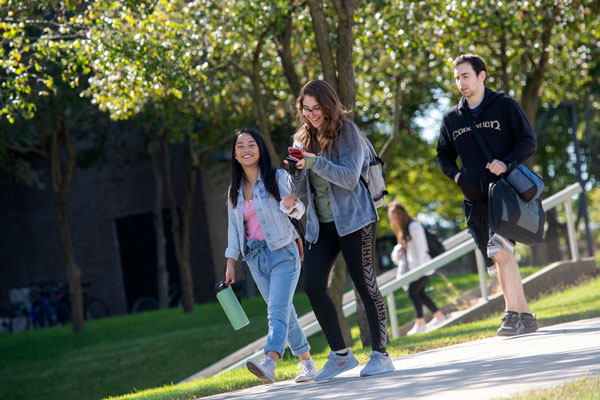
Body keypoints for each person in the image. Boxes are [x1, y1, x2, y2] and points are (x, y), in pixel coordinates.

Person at [287, 79, 395, 381]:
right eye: (306, 109)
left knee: (364, 283)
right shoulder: (302, 138)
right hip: (321, 225)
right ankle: (340, 356)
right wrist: (293, 186)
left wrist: (314, 162)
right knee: (313, 285)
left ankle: (381, 355)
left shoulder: (348, 132)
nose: (311, 115)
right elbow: (302, 183)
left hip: (355, 220)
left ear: (328, 105)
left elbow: (348, 178)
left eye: (316, 108)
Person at [436, 54, 539, 336]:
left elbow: (528, 141)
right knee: (496, 259)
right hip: (474, 201)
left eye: (465, 76)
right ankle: (526, 316)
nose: (460, 82)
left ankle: (510, 315)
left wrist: (506, 162)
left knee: (500, 250)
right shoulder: (451, 118)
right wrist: (457, 177)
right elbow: (443, 155)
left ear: (482, 76)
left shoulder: (504, 106)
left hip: (505, 195)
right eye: (457, 77)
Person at [224, 128, 318, 384]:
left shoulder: (277, 177)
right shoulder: (234, 191)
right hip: (255, 259)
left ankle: (270, 361)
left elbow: (298, 208)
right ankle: (308, 364)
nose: (246, 150)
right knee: (285, 313)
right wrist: (231, 263)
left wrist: (292, 205)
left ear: (260, 149)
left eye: (251, 144)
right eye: (240, 146)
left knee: (276, 311)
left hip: (283, 252)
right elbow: (234, 230)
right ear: (234, 154)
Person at [388, 202, 446, 335]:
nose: (394, 222)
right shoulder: (405, 229)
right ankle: (438, 315)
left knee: (413, 292)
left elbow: (421, 249)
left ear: (401, 215)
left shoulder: (414, 227)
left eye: (395, 218)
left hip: (423, 266)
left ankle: (420, 322)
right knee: (419, 293)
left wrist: (420, 270)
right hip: (416, 268)